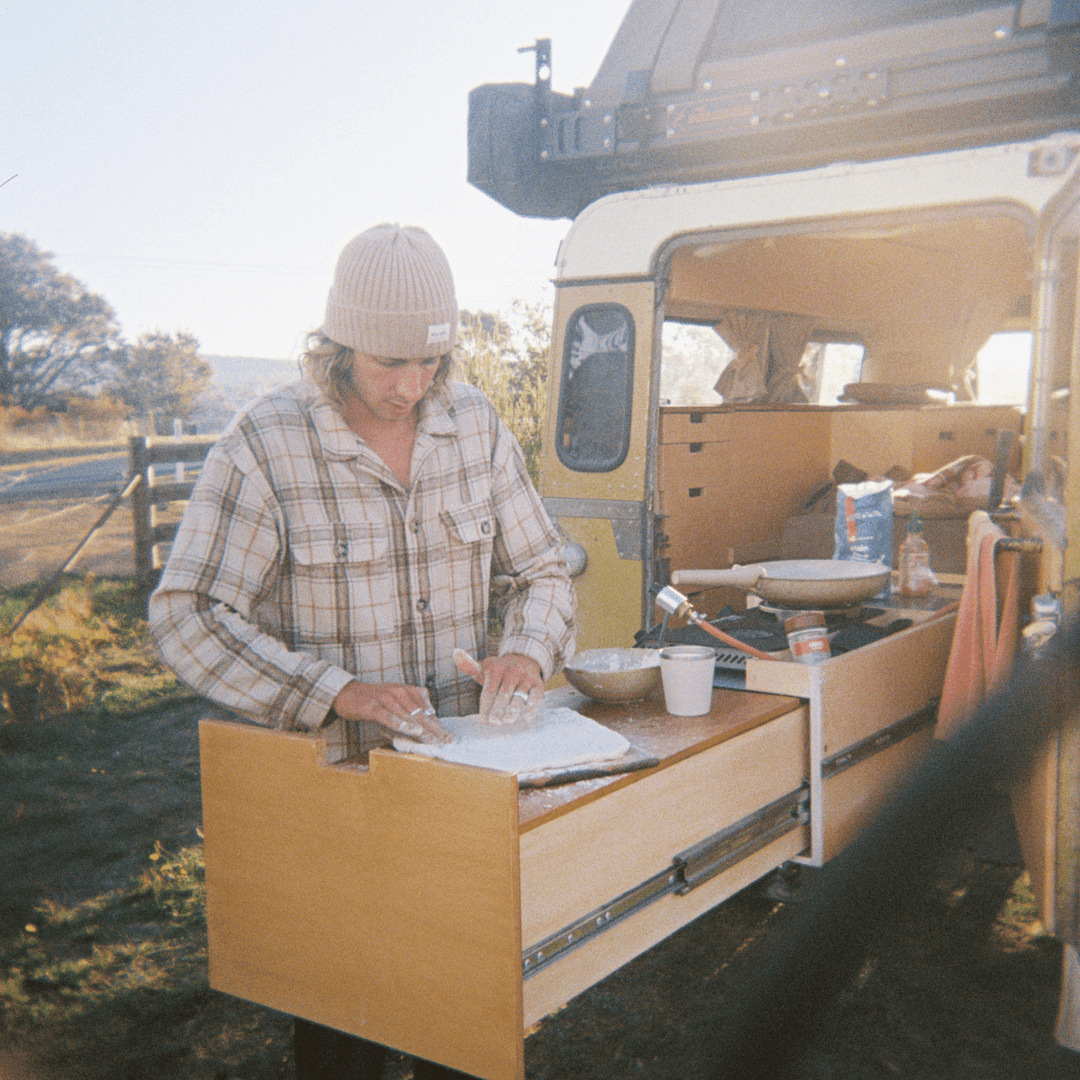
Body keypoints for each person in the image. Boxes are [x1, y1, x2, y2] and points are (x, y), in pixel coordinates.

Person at [149, 223, 576, 1079]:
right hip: (335, 805)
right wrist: (334, 690)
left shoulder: (475, 425)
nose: (411, 388)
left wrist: (525, 653)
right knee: (347, 1032)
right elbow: (186, 615)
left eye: (430, 365)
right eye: (389, 364)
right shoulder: (267, 444)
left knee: (468, 1028)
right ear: (338, 344)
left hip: (464, 794)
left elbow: (545, 568)